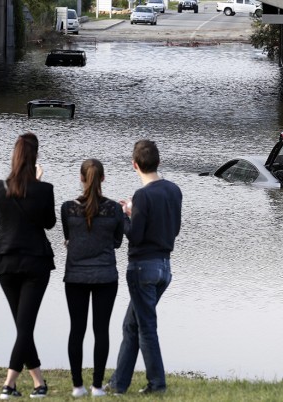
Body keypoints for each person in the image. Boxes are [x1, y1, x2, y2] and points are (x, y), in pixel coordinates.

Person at [106, 139, 183, 394]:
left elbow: (135, 236)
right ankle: (119, 384)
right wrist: (134, 211)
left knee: (146, 327)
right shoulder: (173, 190)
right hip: (165, 268)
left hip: (142, 268)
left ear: (134, 165)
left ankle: (157, 384)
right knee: (132, 325)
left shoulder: (142, 195)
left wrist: (126, 215)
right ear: (158, 162)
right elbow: (175, 229)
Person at [0, 132, 56, 399]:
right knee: (25, 327)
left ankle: (39, 383)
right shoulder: (44, 189)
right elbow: (49, 223)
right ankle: (9, 385)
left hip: (6, 261)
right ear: (35, 157)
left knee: (22, 326)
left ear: (14, 157)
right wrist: (37, 185)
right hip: (35, 262)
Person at [61, 159, 124, 398]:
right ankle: (97, 386)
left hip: (75, 275)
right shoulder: (115, 210)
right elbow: (117, 241)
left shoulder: (67, 208)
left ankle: (78, 386)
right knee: (101, 330)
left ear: (81, 178)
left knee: (76, 329)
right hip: (106, 276)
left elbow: (68, 237)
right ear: (103, 179)